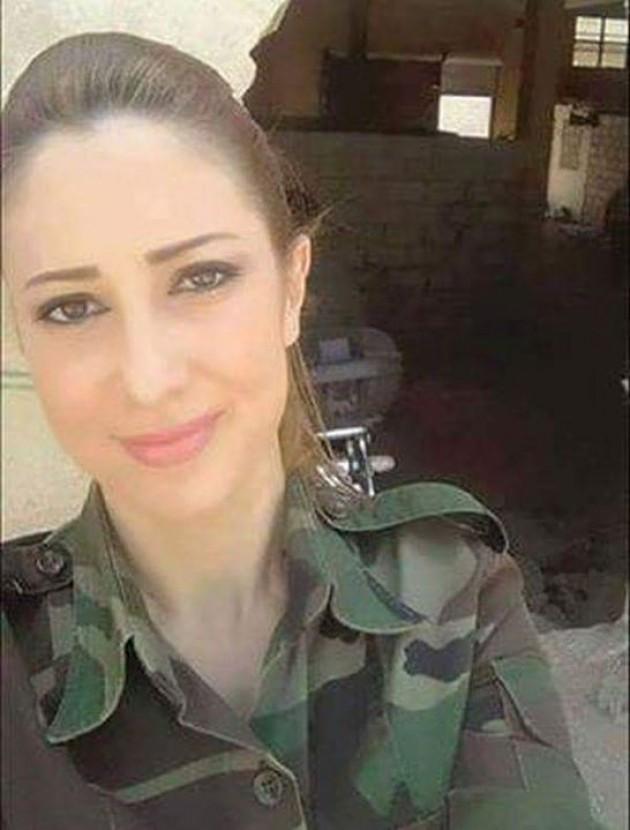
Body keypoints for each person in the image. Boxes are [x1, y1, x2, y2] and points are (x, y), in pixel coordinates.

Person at [0, 31, 607, 830]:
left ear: (292, 289)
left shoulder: (447, 591)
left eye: (201, 278)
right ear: (22, 335)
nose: (148, 378)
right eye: (71, 307)